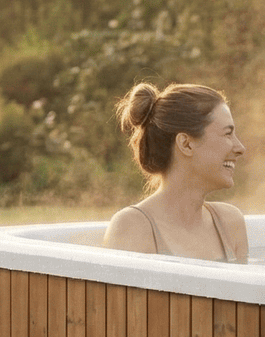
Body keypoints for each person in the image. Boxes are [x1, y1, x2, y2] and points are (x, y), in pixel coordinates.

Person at [103, 82, 249, 262]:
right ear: (186, 144)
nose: (240, 148)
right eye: (228, 134)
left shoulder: (230, 223)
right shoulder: (133, 227)